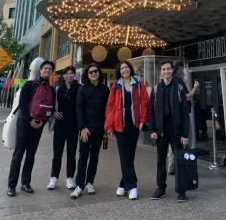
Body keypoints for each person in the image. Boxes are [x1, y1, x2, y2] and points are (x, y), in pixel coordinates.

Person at [7, 60, 56, 197]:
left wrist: (42, 123)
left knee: (31, 155)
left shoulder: (51, 89)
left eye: (49, 69)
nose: (47, 71)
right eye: (45, 68)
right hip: (24, 123)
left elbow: (50, 108)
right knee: (19, 154)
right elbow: (22, 105)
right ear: (40, 70)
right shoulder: (28, 85)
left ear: (51, 72)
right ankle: (11, 185)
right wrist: (31, 121)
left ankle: (25, 183)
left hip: (38, 125)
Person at [105, 61, 149, 200]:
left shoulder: (139, 84)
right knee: (125, 156)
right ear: (119, 71)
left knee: (130, 155)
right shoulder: (115, 86)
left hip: (134, 125)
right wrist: (109, 125)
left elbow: (145, 103)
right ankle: (132, 186)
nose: (124, 70)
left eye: (126, 67)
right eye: (122, 68)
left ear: (130, 69)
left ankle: (122, 184)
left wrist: (143, 120)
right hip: (120, 125)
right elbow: (110, 107)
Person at [148, 60, 190, 203]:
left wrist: (185, 133)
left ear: (172, 70)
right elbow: (151, 111)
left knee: (179, 160)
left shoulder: (179, 87)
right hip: (161, 129)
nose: (166, 71)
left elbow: (185, 111)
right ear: (161, 72)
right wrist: (152, 129)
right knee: (160, 160)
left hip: (176, 129)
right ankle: (161, 188)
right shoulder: (156, 89)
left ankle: (181, 190)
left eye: (168, 69)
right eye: (163, 69)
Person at [71, 63, 109, 199]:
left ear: (99, 73)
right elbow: (79, 108)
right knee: (83, 156)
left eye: (95, 71)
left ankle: (90, 182)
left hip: (99, 128)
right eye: (91, 72)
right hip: (85, 129)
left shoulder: (105, 89)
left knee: (94, 157)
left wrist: (106, 127)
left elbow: (107, 109)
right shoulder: (82, 89)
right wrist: (82, 127)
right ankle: (79, 185)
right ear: (87, 74)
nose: (93, 74)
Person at [47, 66, 80, 190]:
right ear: (63, 76)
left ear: (74, 75)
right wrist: (53, 112)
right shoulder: (58, 89)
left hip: (73, 126)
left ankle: (70, 178)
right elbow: (50, 103)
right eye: (67, 73)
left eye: (71, 73)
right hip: (60, 125)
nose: (69, 76)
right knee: (57, 153)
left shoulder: (79, 88)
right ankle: (54, 178)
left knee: (71, 153)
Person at [167, 60, 199, 175]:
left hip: (172, 117)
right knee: (187, 140)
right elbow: (187, 97)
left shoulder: (170, 82)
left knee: (173, 142)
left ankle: (172, 167)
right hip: (183, 115)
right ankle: (186, 165)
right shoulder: (179, 82)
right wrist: (195, 88)